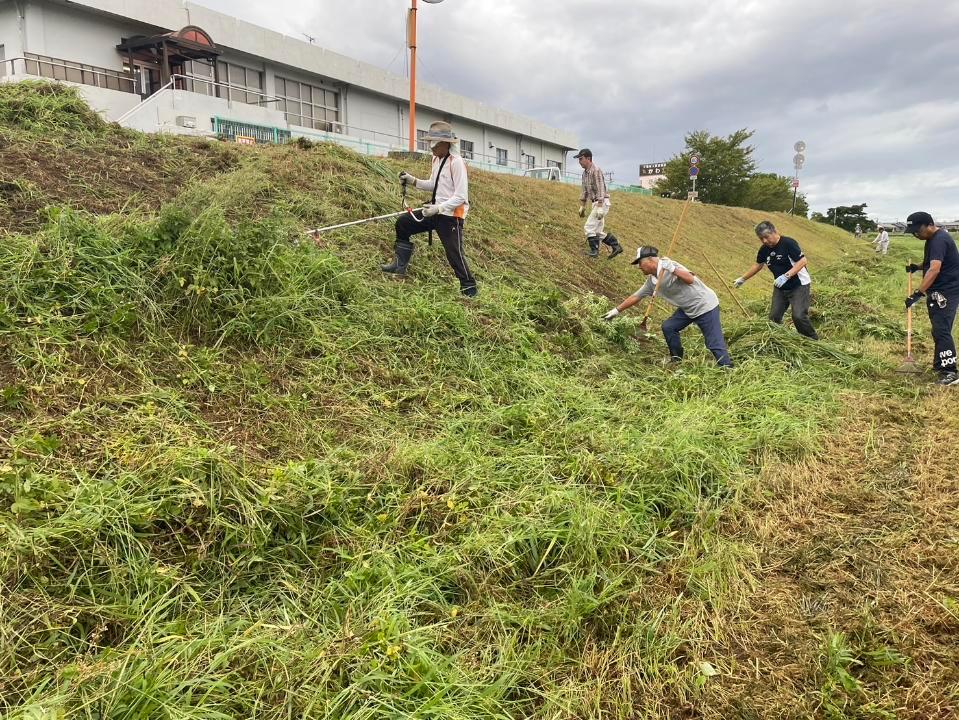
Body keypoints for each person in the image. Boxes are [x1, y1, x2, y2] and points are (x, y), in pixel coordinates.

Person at [386, 121, 478, 297]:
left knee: (454, 253)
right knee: (403, 223)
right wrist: (413, 181)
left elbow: (461, 196)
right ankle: (399, 266)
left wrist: (439, 208)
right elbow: (434, 184)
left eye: (434, 145)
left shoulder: (456, 162)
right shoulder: (436, 159)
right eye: (430, 145)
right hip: (434, 210)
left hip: (451, 215)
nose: (431, 149)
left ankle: (469, 288)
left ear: (445, 144)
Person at [604, 246, 733, 367]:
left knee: (713, 343)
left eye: (640, 262)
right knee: (669, 327)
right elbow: (635, 296)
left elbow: (690, 279)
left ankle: (727, 368)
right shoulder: (651, 282)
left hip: (705, 305)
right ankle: (676, 359)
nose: (639, 267)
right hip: (688, 309)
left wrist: (673, 269)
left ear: (650, 259)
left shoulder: (670, 265)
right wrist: (616, 310)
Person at [733, 220, 819, 340]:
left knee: (798, 316)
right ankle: (779, 339)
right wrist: (742, 279)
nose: (764, 241)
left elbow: (802, 261)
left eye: (766, 237)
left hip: (798, 285)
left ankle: (812, 339)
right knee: (774, 318)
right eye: (761, 238)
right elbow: (758, 265)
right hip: (780, 287)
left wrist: (786, 276)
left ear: (774, 232)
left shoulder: (788, 243)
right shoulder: (764, 249)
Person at [904, 211, 959, 385]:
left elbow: (935, 269)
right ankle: (940, 365)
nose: (916, 234)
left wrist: (918, 293)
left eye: (918, 230)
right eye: (913, 232)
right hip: (939, 291)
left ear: (929, 225)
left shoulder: (939, 240)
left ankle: (950, 372)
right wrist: (918, 267)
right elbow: (931, 263)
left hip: (945, 292)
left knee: (942, 330)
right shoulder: (932, 239)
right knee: (938, 330)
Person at [574, 148, 623, 259]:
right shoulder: (584, 174)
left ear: (588, 158)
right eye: (579, 159)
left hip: (601, 202)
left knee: (589, 227)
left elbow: (601, 188)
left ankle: (594, 251)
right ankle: (616, 246)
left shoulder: (596, 170)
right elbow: (584, 191)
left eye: (581, 159)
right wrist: (582, 206)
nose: (579, 161)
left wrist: (600, 206)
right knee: (597, 231)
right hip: (595, 203)